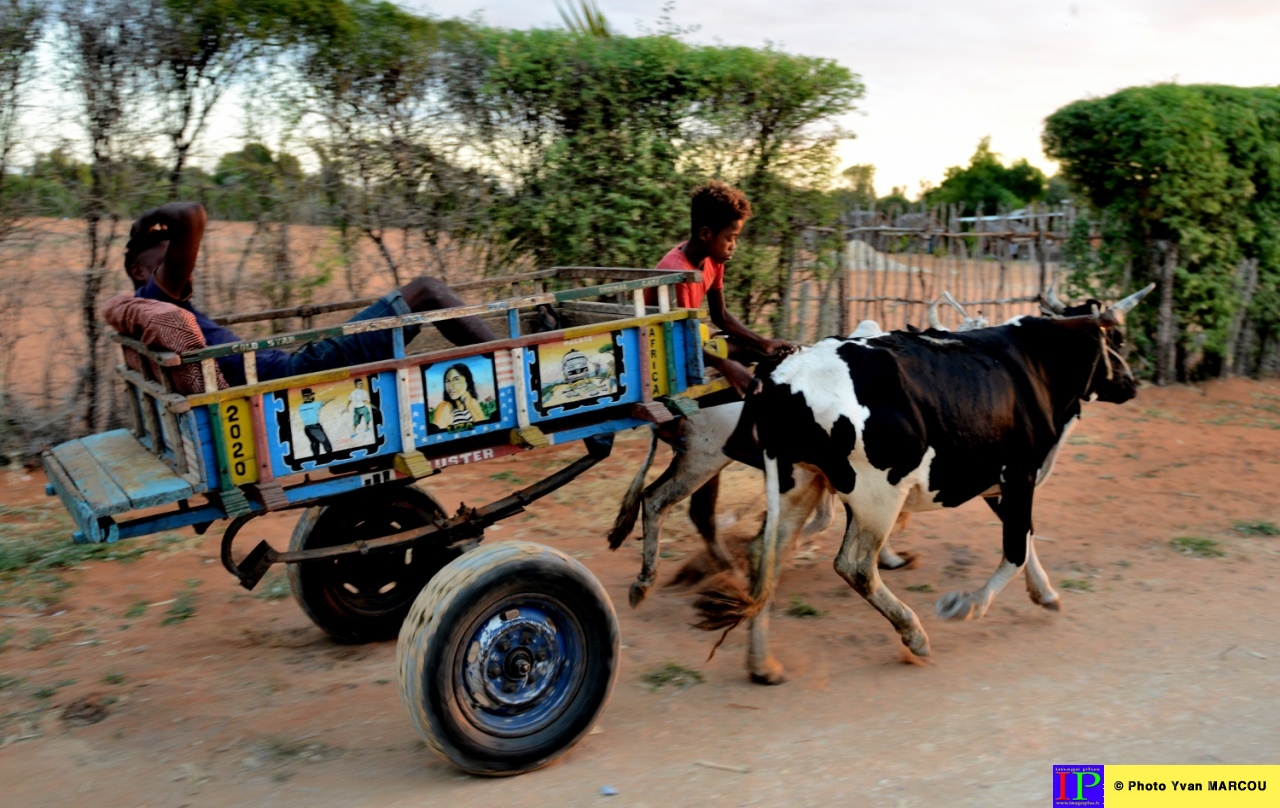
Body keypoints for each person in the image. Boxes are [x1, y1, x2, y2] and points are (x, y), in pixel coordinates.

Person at [122, 202, 498, 387]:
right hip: (294, 373)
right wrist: (150, 217)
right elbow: (191, 213)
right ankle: (525, 363)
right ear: (139, 270)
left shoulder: (151, 307)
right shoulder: (157, 294)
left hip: (286, 369)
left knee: (418, 312)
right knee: (427, 290)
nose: (176, 255)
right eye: (163, 250)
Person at [653, 182, 795, 395]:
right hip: (662, 346)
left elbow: (721, 315)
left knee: (764, 354)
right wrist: (725, 365)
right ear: (705, 234)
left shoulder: (713, 260)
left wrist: (763, 342)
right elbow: (678, 341)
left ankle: (746, 428)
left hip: (690, 335)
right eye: (729, 238)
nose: (734, 245)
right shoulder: (677, 274)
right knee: (743, 359)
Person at [431, 363, 488, 430]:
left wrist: (469, 403)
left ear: (467, 381)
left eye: (456, 379)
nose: (450, 386)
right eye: (447, 381)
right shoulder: (445, 406)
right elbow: (440, 436)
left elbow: (483, 429)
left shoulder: (473, 402)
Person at [298, 388, 334, 457]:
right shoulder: (314, 405)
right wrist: (332, 398)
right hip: (315, 427)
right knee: (326, 443)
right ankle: (330, 458)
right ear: (309, 396)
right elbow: (324, 402)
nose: (312, 397)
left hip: (307, 429)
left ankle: (316, 458)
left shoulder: (301, 407)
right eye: (311, 395)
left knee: (314, 443)